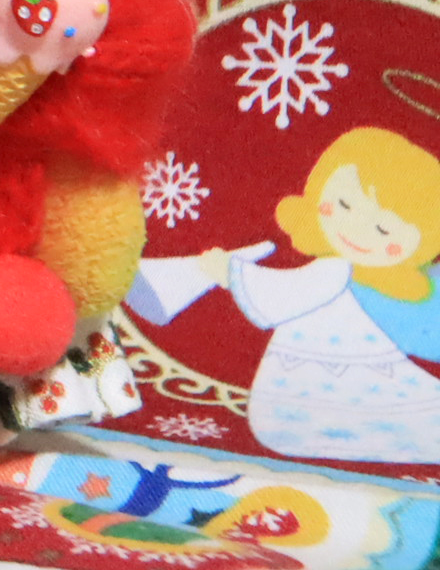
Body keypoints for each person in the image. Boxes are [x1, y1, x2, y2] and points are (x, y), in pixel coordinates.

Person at [130, 124, 440, 463]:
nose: (357, 228)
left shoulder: (335, 271)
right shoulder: (335, 269)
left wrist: (230, 273)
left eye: (382, 229)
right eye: (344, 204)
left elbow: (282, 295)